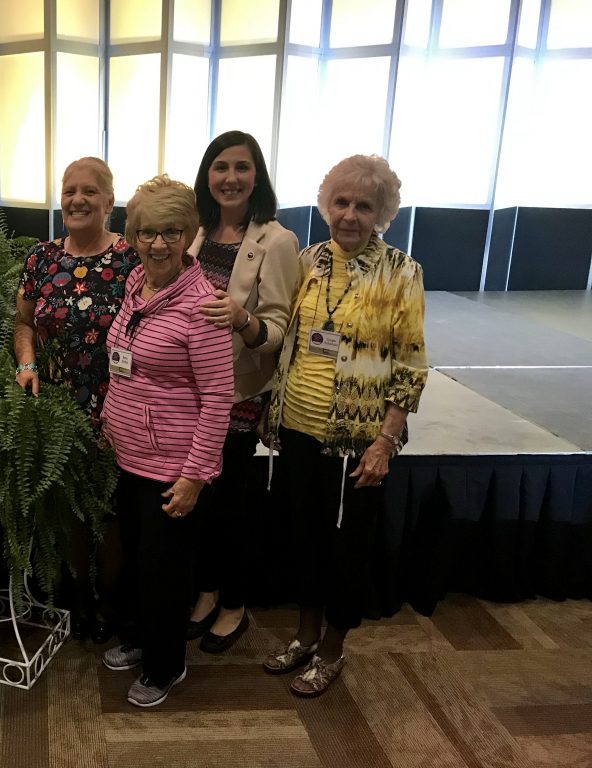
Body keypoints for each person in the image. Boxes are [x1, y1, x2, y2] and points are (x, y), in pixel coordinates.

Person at [261, 155, 427, 697]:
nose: (350, 215)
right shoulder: (308, 260)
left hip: (357, 439)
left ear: (382, 213)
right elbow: (286, 340)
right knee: (303, 538)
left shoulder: (402, 271)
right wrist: (272, 409)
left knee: (347, 548)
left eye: (364, 205)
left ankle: (333, 648)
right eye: (341, 202)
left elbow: (411, 363)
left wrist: (386, 439)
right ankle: (305, 635)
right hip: (298, 427)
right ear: (325, 205)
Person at [99, 175, 233, 708]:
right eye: (148, 232)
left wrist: (194, 477)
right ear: (132, 235)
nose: (159, 244)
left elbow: (219, 398)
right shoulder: (137, 285)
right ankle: (140, 637)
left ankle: (165, 665)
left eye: (172, 232)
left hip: (174, 467)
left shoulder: (202, 307)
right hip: (129, 455)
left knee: (167, 572)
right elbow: (124, 369)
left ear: (189, 235)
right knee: (137, 562)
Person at [14, 157, 139, 640]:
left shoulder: (132, 259)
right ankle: (76, 601)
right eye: (70, 190)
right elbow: (24, 323)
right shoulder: (42, 258)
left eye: (90, 191)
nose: (78, 200)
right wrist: (26, 364)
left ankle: (109, 602)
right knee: (67, 508)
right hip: (57, 403)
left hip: (118, 404)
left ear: (110, 202)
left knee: (107, 513)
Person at [187, 131, 301, 653]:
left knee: (230, 505)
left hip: (234, 394)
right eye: (220, 167)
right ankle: (207, 591)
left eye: (242, 167)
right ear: (206, 175)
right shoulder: (194, 231)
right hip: (185, 393)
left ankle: (234, 606)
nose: (230, 178)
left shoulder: (276, 241)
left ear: (257, 176)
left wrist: (241, 319)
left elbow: (278, 330)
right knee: (201, 505)